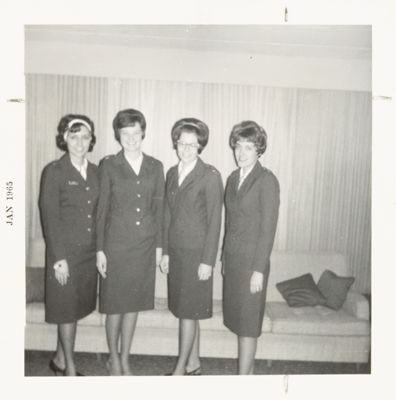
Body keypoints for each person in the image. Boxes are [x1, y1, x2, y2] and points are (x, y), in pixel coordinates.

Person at [96, 108, 164, 376]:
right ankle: (113, 359)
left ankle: (125, 358)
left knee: (133, 304)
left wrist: (159, 247)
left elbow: (159, 211)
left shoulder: (155, 166)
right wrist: (100, 249)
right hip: (115, 247)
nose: (131, 138)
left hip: (144, 247)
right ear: (118, 135)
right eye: (126, 133)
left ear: (143, 133)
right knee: (114, 305)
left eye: (136, 132)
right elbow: (101, 210)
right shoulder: (109, 165)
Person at [160, 118, 223, 375]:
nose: (185, 149)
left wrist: (208, 261)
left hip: (197, 256)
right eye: (181, 143)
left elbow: (215, 222)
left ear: (200, 147)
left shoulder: (209, 175)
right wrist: (164, 251)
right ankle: (193, 363)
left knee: (187, 313)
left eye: (192, 145)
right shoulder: (172, 173)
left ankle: (179, 372)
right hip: (176, 254)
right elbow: (167, 215)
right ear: (176, 144)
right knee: (188, 311)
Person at [39, 114, 99, 376]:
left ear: (91, 141)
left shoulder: (96, 172)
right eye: (74, 137)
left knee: (75, 308)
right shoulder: (54, 171)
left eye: (85, 137)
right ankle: (70, 371)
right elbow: (49, 217)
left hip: (87, 254)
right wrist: (58, 258)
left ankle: (59, 359)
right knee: (66, 311)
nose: (79, 142)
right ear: (64, 139)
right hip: (65, 255)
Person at [222, 120, 280, 375]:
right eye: (238, 146)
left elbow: (268, 229)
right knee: (238, 321)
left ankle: (243, 382)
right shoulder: (233, 177)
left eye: (248, 147)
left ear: (259, 150)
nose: (241, 152)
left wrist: (258, 269)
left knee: (247, 325)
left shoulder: (266, 180)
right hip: (234, 263)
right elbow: (230, 222)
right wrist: (224, 258)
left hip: (251, 266)